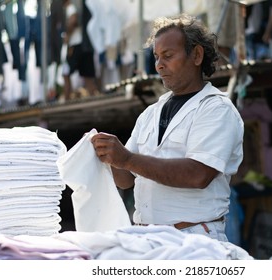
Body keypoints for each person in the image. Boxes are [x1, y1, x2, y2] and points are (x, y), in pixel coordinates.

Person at [91, 14, 244, 242]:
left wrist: (126, 159)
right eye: (156, 57)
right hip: (146, 239)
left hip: (193, 239)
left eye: (168, 56)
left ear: (197, 55)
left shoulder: (216, 108)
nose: (159, 65)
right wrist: (103, 156)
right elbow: (126, 179)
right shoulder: (151, 113)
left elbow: (198, 175)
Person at [62, 0, 97, 101]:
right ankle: (93, 99)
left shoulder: (71, 6)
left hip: (76, 45)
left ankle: (67, 100)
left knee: (66, 73)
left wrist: (67, 34)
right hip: (85, 44)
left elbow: (73, 19)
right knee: (88, 77)